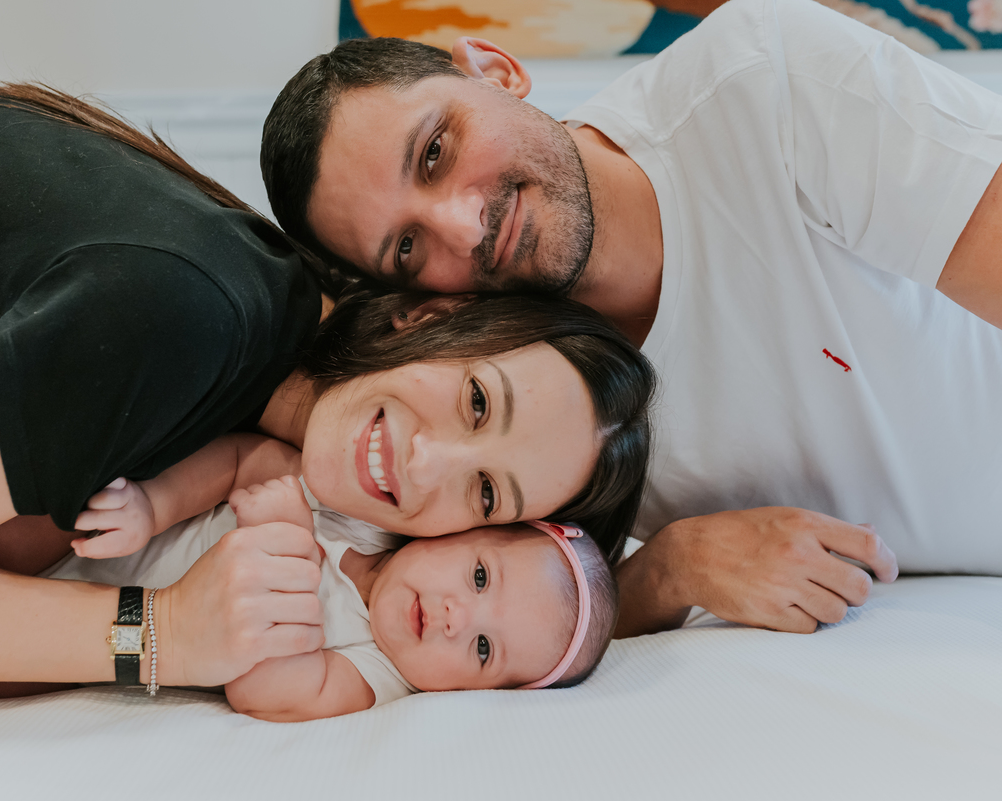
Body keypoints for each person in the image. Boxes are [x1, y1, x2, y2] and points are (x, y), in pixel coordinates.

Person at [0, 67, 655, 694]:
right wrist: (159, 632)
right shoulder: (183, 322)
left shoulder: (249, 355)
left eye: (486, 494)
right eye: (476, 400)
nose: (425, 466)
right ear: (428, 315)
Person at [260, 0, 1002, 639]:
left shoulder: (765, 83)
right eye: (409, 246)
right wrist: (672, 566)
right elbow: (503, 617)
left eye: (435, 152)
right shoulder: (508, 411)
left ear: (495, 68)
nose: (464, 224)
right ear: (421, 301)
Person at [46, 471, 615, 721]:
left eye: (485, 649)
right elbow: (243, 461)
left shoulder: (378, 673)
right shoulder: (366, 515)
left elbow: (264, 690)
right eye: (480, 578)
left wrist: (286, 539)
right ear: (462, 529)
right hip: (101, 520)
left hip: (84, 631)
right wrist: (155, 503)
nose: (454, 617)